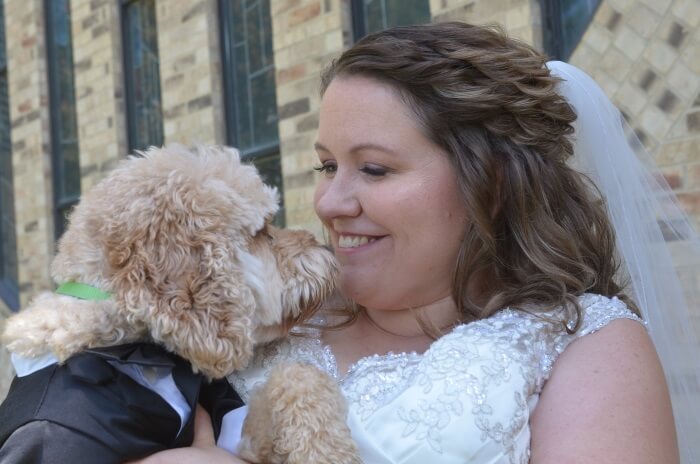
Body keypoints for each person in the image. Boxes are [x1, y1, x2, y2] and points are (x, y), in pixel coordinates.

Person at [137, 22, 700, 463]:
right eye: (327, 165)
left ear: (494, 182)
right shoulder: (270, 313)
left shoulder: (583, 344)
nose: (331, 203)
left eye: (375, 169)